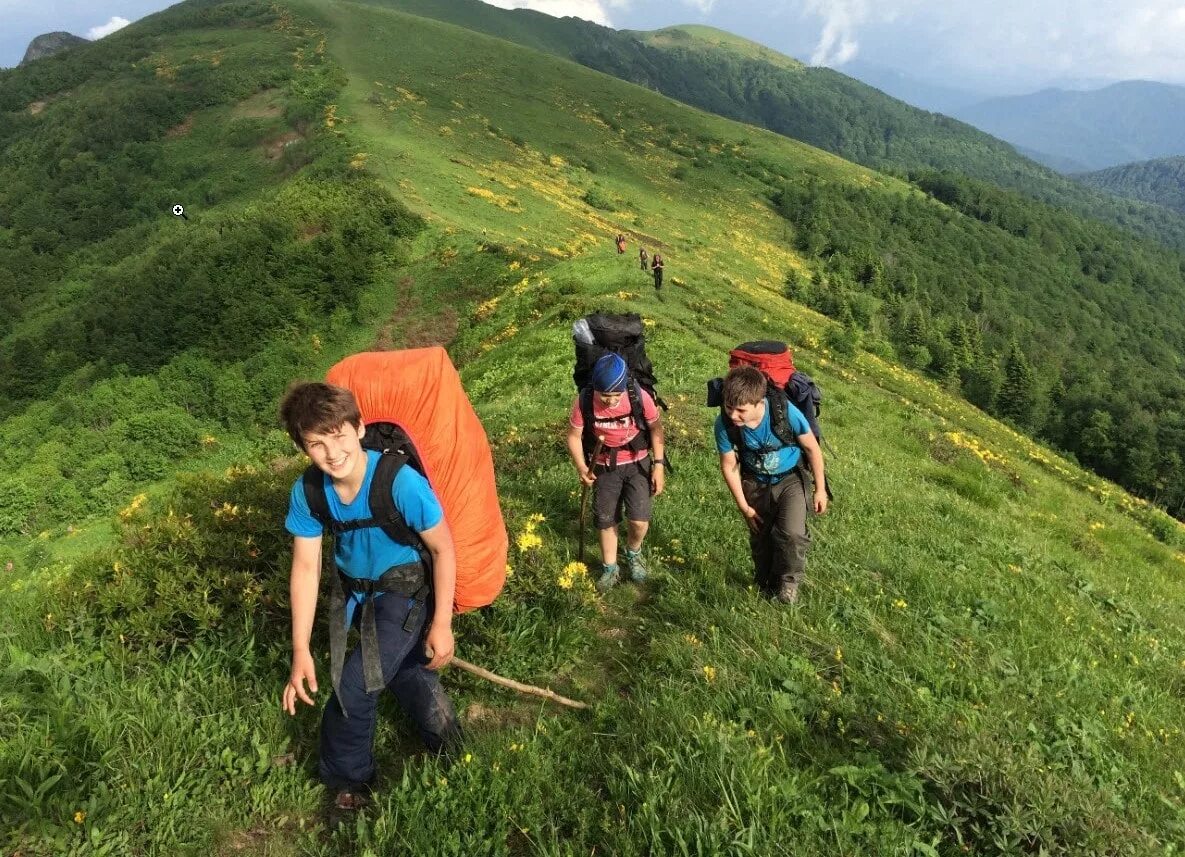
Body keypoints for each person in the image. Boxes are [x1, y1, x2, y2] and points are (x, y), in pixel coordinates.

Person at [279, 382, 461, 811]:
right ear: (303, 448)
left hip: (405, 592)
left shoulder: (399, 481)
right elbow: (306, 569)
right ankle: (451, 743)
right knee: (402, 672)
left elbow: (442, 548)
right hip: (355, 597)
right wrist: (300, 649)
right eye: (316, 444)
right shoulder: (307, 492)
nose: (332, 452)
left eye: (339, 434)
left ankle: (350, 783)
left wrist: (441, 623)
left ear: (359, 428)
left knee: (355, 683)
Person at [715, 366, 827, 603]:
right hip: (754, 481)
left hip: (790, 479)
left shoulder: (785, 413)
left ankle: (789, 584)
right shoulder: (724, 424)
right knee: (761, 537)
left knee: (792, 534)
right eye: (728, 407)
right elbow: (728, 465)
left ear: (759, 402)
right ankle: (764, 583)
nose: (733, 415)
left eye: (741, 410)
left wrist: (820, 489)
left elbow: (812, 448)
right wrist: (744, 506)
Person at [566, 353, 666, 592]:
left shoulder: (638, 396)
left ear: (624, 389)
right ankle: (610, 567)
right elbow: (573, 436)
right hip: (603, 465)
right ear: (595, 389)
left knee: (639, 520)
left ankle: (633, 552)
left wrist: (659, 466)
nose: (610, 402)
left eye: (615, 396)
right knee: (605, 519)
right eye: (605, 396)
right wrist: (582, 467)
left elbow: (656, 429)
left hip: (637, 462)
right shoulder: (584, 400)